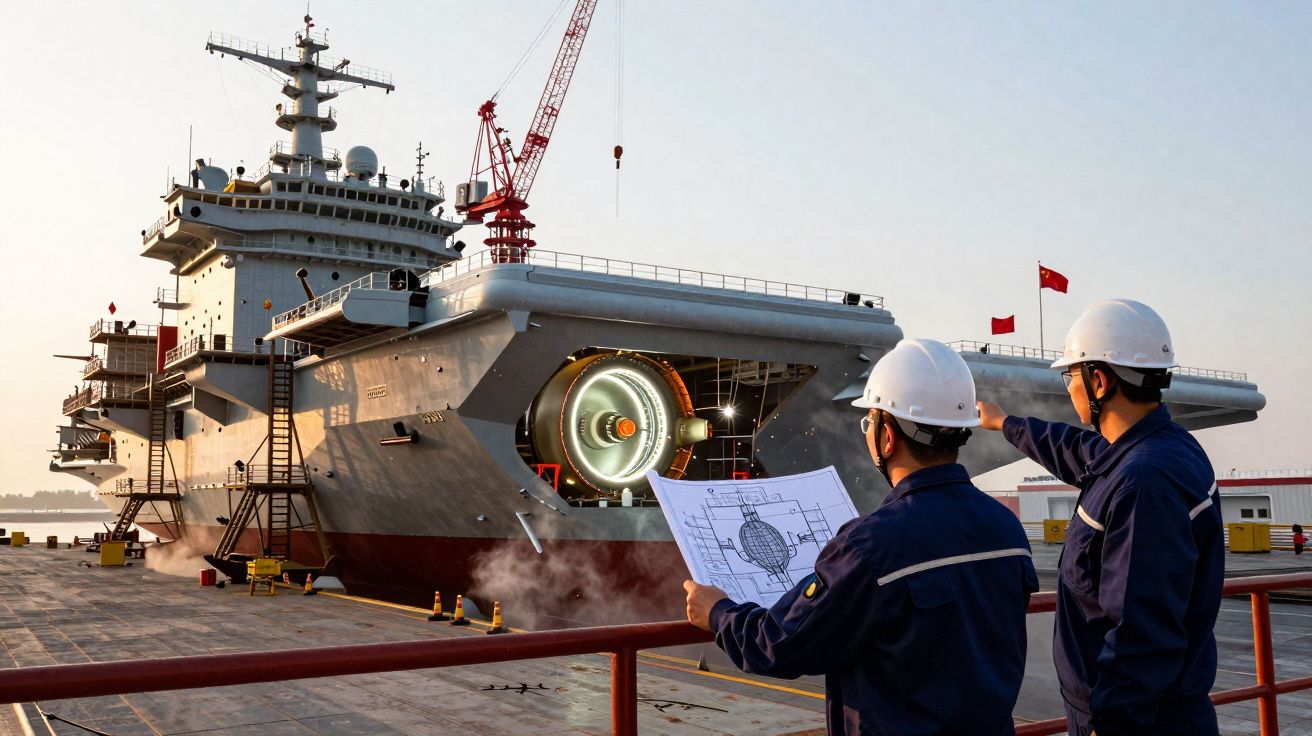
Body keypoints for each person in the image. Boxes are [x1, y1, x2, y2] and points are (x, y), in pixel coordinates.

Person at [683, 338, 1038, 735]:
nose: (867, 431)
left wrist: (718, 613)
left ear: (887, 437)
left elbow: (781, 645)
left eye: (870, 421)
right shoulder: (1005, 526)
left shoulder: (871, 544)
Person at [977, 298, 1223, 736]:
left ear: (1098, 380)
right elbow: (1075, 449)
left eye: (1070, 376)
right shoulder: (1163, 449)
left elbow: (1140, 633)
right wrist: (1006, 424)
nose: (1067, 387)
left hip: (1138, 720)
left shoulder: (1143, 483)